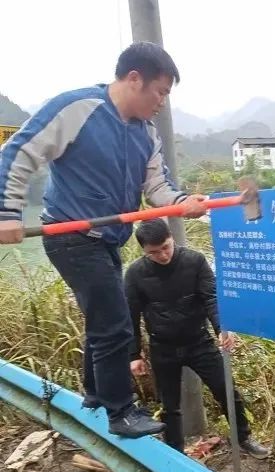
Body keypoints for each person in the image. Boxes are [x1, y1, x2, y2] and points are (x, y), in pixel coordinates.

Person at [0, 42, 207, 439]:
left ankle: (96, 393)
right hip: (71, 236)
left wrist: (183, 203)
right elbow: (19, 152)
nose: (162, 103)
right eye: (160, 92)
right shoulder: (77, 109)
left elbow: (157, 186)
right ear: (134, 79)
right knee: (115, 323)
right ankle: (121, 411)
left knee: (104, 319)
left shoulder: (146, 133)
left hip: (109, 239)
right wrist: (7, 212)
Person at [124, 219, 269, 459]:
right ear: (144, 251)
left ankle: (243, 437)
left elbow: (211, 298)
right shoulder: (136, 273)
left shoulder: (194, 261)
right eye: (154, 252)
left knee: (226, 390)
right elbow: (130, 315)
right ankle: (175, 452)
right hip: (162, 347)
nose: (162, 255)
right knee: (170, 405)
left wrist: (223, 328)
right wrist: (134, 354)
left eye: (166, 247)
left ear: (171, 238)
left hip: (198, 341)